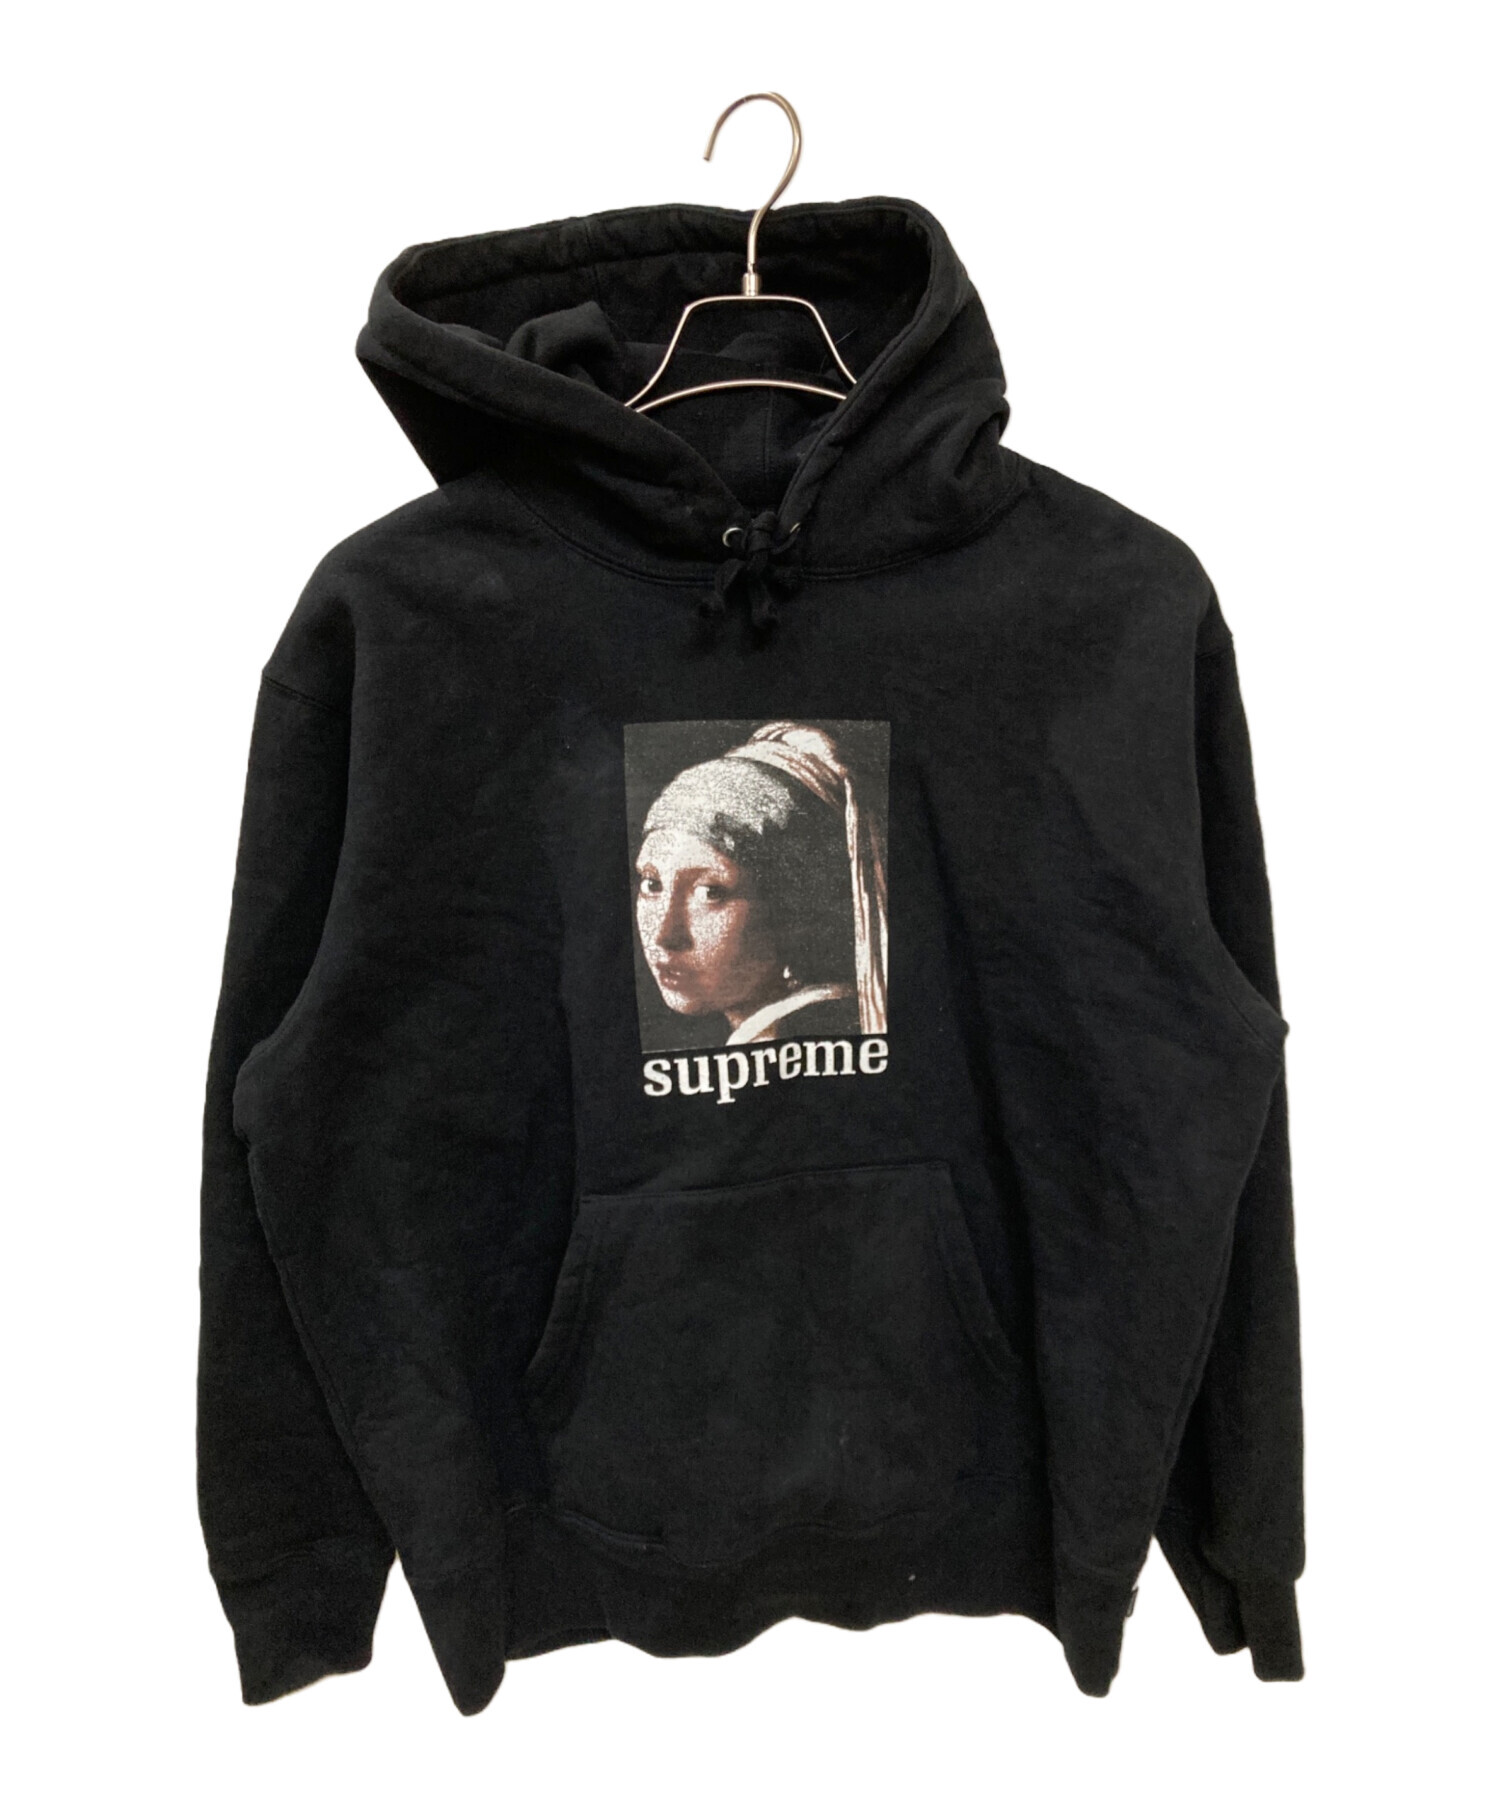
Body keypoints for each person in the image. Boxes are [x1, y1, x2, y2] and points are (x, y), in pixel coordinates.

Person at [633, 721, 888, 1046]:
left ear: (794, 908)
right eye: (652, 884)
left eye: (710, 892)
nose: (665, 935)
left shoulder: (798, 1038)